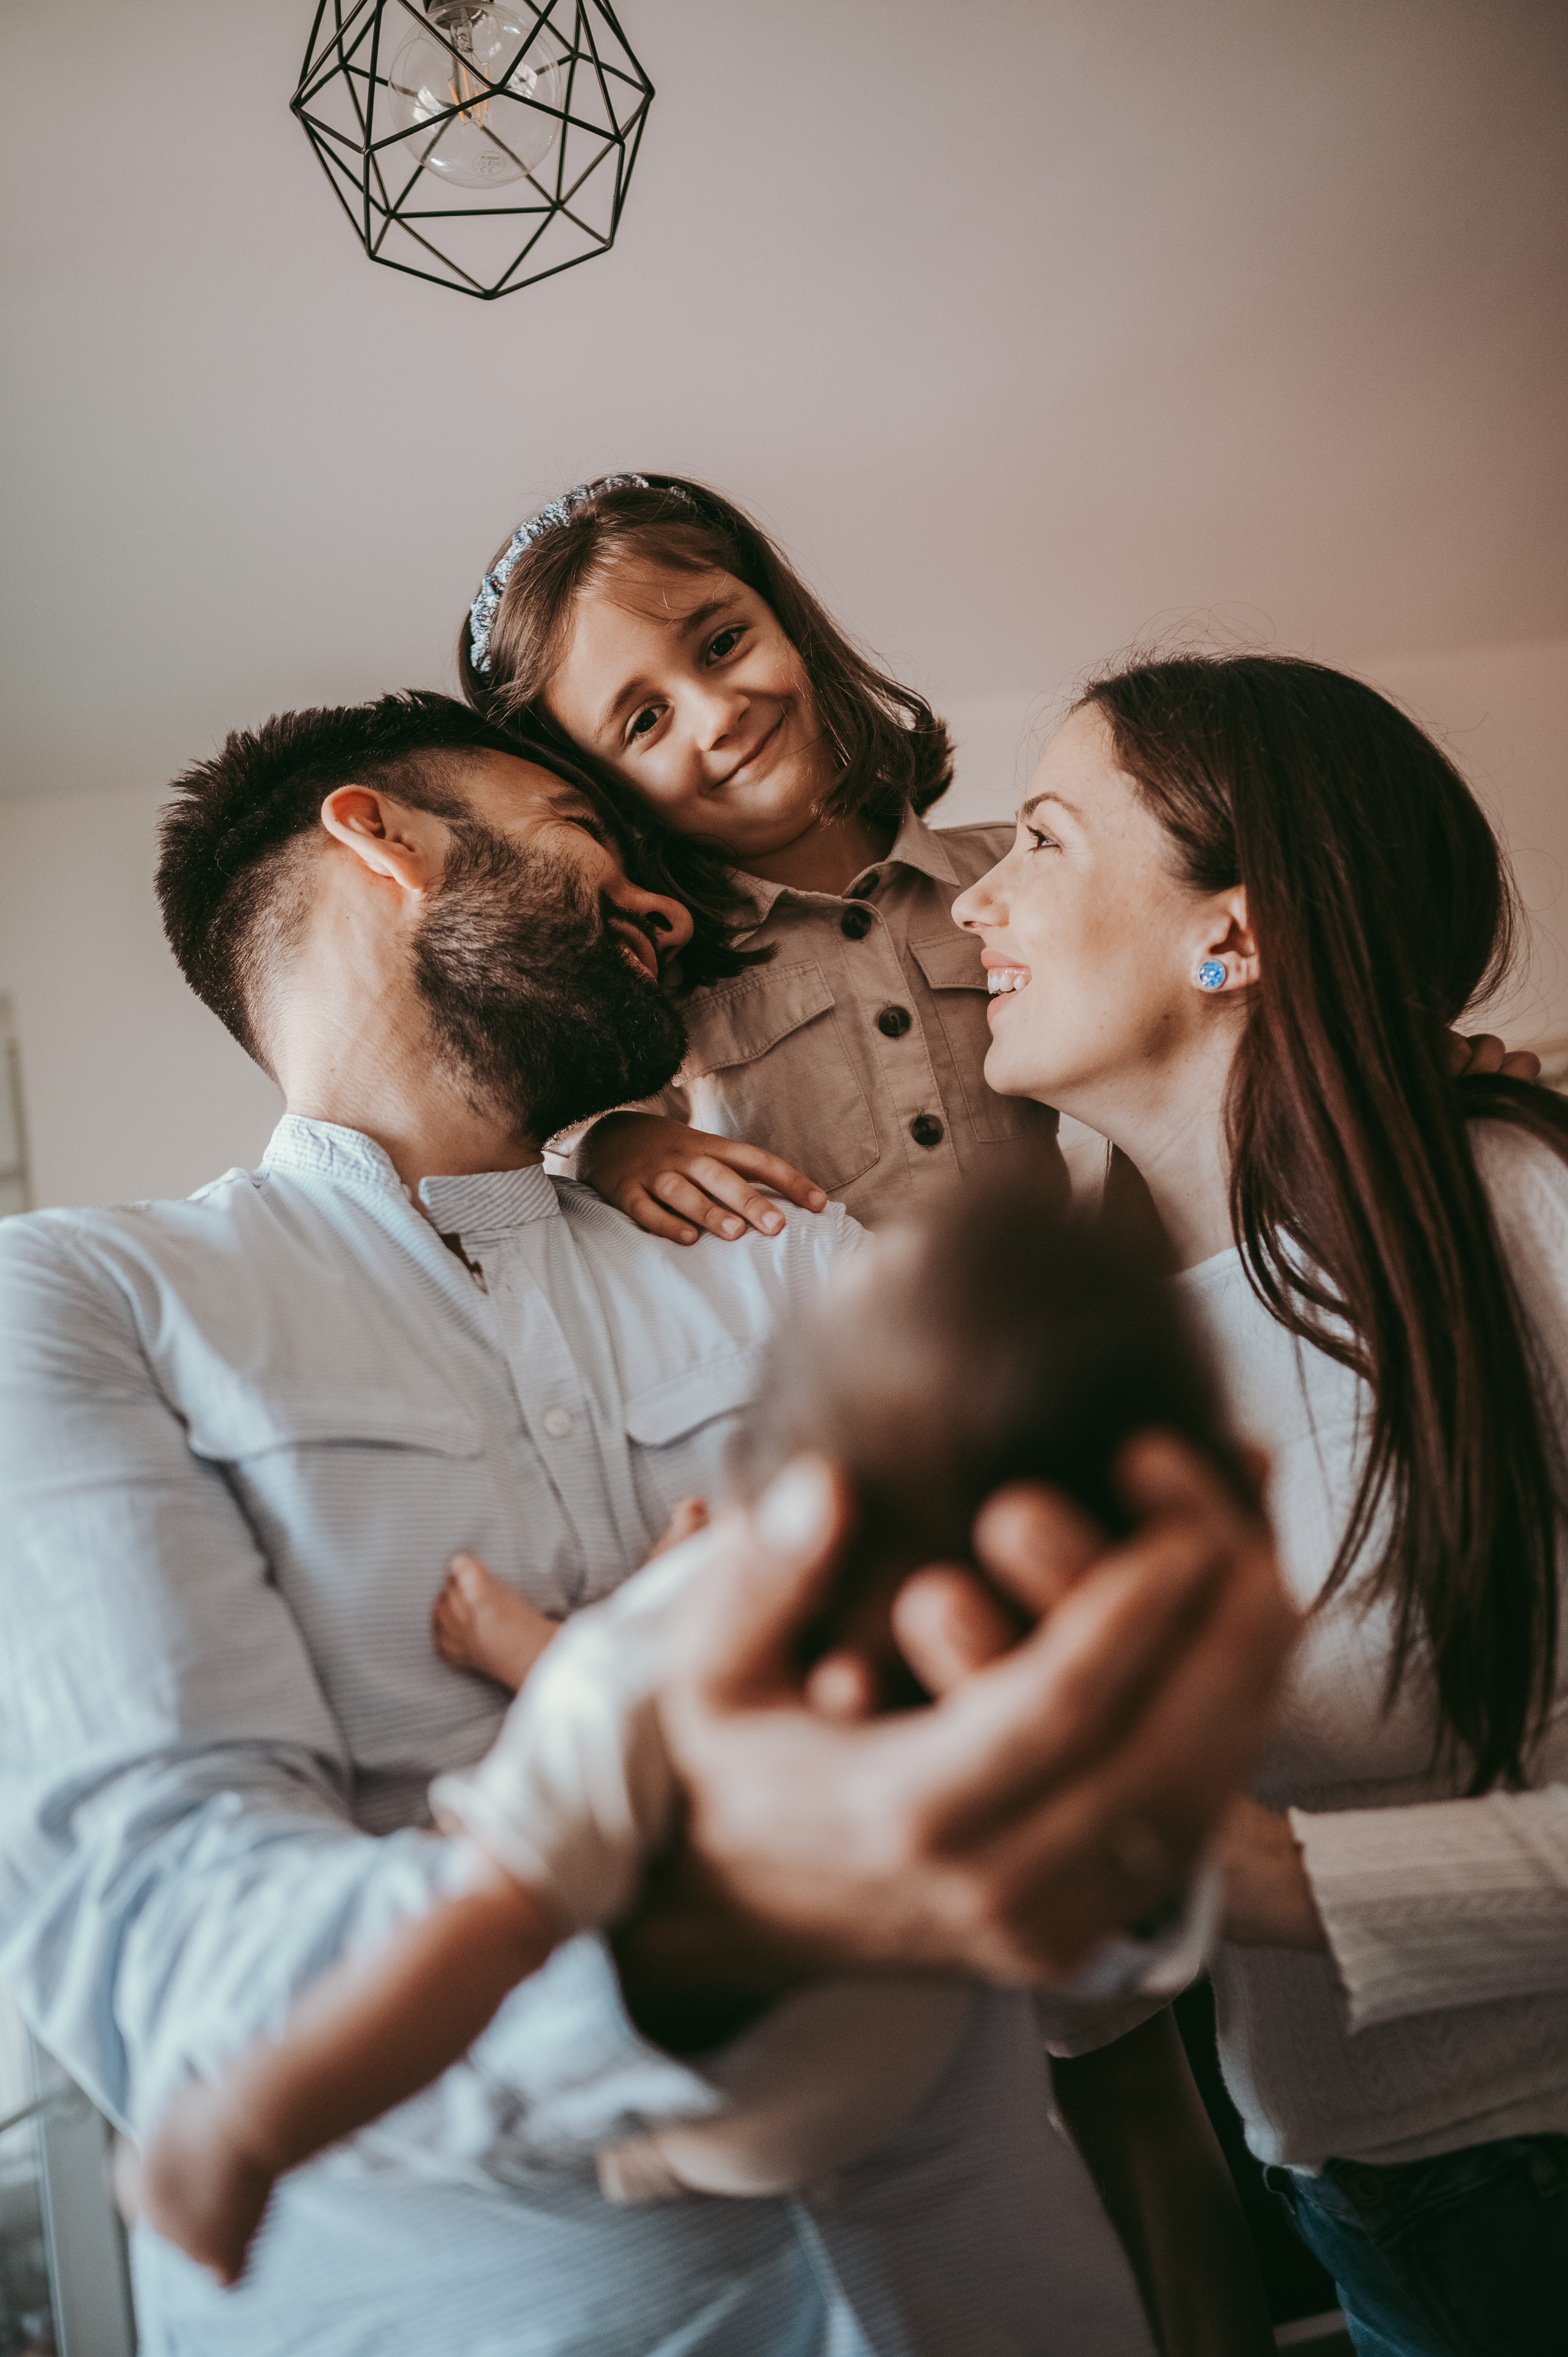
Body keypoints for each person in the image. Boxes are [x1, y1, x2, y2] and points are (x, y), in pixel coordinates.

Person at [0, 687, 1295, 2357]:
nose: (669, 906)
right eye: (588, 834)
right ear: (373, 838)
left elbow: (1081, 1901)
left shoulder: (803, 1266)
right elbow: (178, 1987)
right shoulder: (77, 1307)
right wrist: (711, 1917)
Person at [134, 1182, 1278, 2355]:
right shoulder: (1061, 1642)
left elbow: (483, 1926)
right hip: (880, 2082)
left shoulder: (663, 1644)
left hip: (724, 2129)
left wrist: (244, 2126)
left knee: (509, 1894)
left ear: (788, 1472)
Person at [948, 650, 1568, 2357]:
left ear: (1235, 932)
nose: (974, 905)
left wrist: (1270, 1878)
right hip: (1358, 2207)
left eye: (1045, 842)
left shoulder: (1511, 1215)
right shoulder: (1102, 1351)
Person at [458, 471, 1065, 1245]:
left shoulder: (1019, 870)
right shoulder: (640, 981)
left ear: (789, 625)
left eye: (722, 644)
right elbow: (536, 1143)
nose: (719, 715)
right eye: (646, 720)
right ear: (605, 792)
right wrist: (610, 1142)